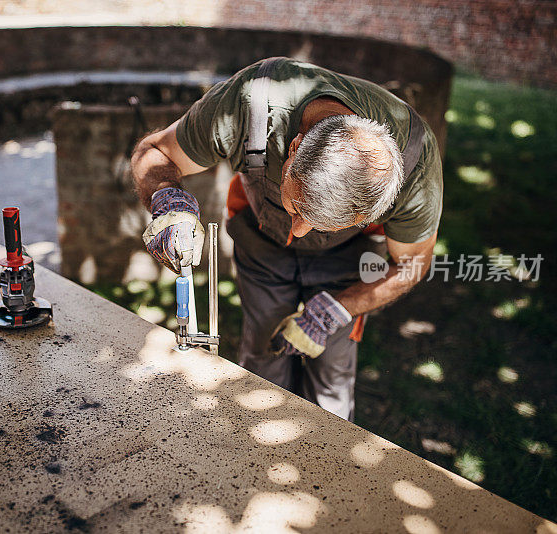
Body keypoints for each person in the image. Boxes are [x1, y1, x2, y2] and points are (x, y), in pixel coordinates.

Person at [131, 57, 442, 421]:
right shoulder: (251, 103)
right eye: (295, 208)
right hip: (261, 247)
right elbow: (157, 152)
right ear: (293, 147)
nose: (297, 232)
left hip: (348, 262)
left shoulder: (415, 164)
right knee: (261, 365)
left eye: (321, 223)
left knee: (331, 377)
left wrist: (338, 309)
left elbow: (413, 262)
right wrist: (168, 201)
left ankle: (330, 463)